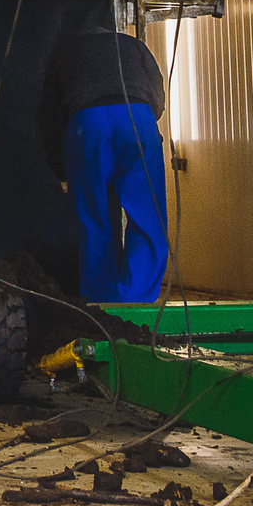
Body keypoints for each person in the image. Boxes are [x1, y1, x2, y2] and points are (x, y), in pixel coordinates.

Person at [37, 23, 169, 303]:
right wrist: (142, 121)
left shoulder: (64, 52)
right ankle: (136, 302)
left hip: (87, 124)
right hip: (136, 117)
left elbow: (48, 119)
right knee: (148, 217)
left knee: (93, 219)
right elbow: (157, 94)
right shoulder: (134, 45)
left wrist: (62, 170)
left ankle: (101, 307)